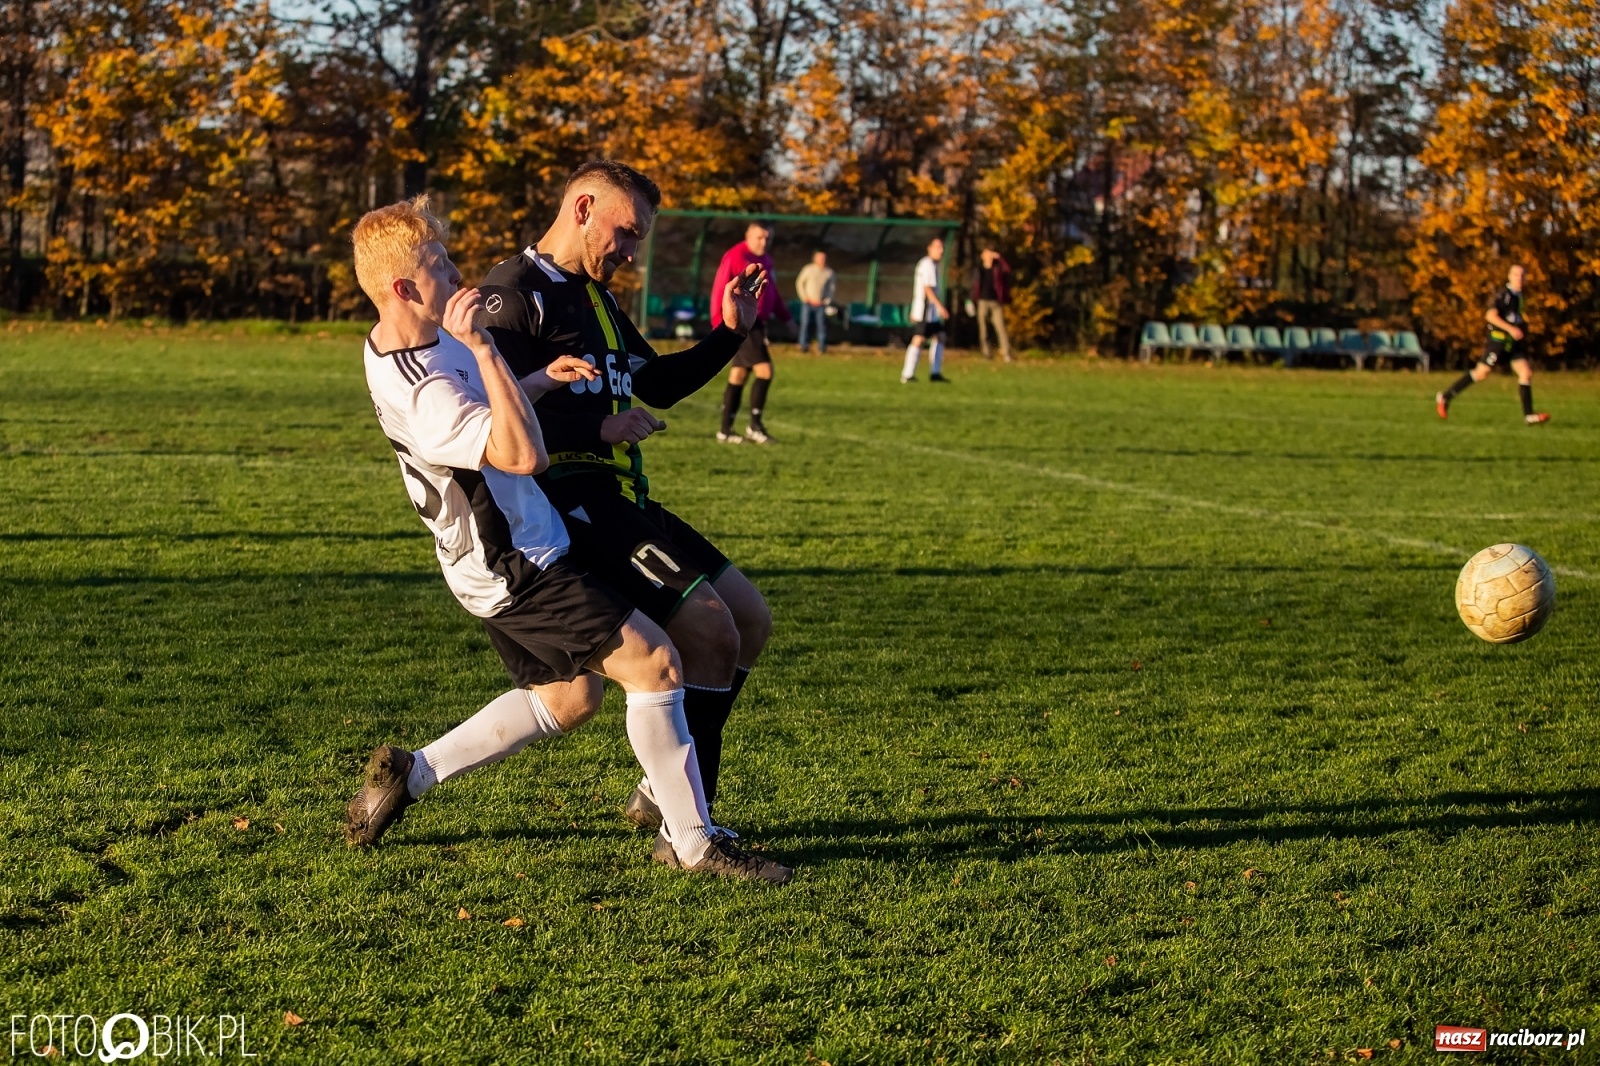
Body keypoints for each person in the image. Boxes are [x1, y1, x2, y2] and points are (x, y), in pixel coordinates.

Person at [341, 196, 790, 882]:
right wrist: (490, 349)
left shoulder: (408, 342)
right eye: (440, 264)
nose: (459, 274)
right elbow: (523, 456)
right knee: (656, 665)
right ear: (403, 288)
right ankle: (694, 844)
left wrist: (536, 378)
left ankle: (414, 773)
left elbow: (493, 407)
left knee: (570, 700)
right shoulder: (427, 385)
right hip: (517, 563)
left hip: (499, 554)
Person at [475, 161, 778, 854]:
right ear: (583, 207)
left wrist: (729, 334)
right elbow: (492, 421)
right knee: (710, 632)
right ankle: (688, 827)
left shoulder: (599, 300)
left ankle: (663, 791)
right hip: (569, 505)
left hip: (623, 498)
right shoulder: (512, 295)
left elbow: (656, 384)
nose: (632, 252)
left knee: (750, 622)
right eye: (627, 232)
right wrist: (595, 428)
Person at [1437, 264, 1550, 424]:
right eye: (1516, 275)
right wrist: (1511, 329)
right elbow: (1490, 316)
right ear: (1509, 277)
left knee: (1526, 372)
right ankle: (1445, 397)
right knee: (1481, 372)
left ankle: (1529, 415)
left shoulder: (1519, 296)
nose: (1520, 278)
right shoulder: (1504, 295)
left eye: (1522, 275)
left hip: (1512, 343)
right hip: (1498, 341)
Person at [711, 221, 791, 443]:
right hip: (742, 324)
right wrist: (719, 322)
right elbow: (720, 290)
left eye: (768, 238)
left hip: (757, 323)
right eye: (759, 237)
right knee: (765, 371)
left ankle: (725, 430)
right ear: (748, 235)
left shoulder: (766, 260)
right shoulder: (735, 257)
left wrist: (786, 317)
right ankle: (755, 426)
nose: (764, 242)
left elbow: (771, 292)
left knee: (739, 373)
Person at [901, 237, 950, 383]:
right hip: (925, 311)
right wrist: (940, 306)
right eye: (938, 247)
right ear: (929, 249)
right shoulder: (927, 264)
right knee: (919, 339)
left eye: (942, 247)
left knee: (940, 337)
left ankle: (935, 373)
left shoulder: (932, 265)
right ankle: (907, 374)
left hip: (930, 313)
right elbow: (927, 289)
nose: (941, 251)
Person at [972, 245, 1013, 362]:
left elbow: (1008, 269)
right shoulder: (979, 269)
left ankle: (1006, 353)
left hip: (995, 302)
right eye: (986, 254)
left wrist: (999, 258)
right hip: (982, 302)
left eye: (990, 254)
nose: (988, 256)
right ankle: (987, 353)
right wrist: (971, 299)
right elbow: (974, 286)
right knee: (983, 329)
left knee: (1001, 328)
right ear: (982, 256)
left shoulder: (997, 269)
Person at [795, 250, 835, 354]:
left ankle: (821, 347)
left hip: (820, 304)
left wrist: (826, 301)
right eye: (820, 258)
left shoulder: (829, 272)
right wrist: (804, 297)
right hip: (807, 303)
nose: (822, 260)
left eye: (824, 258)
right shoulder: (808, 269)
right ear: (815, 259)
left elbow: (831, 288)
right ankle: (803, 346)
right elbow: (800, 283)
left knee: (821, 326)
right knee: (805, 324)